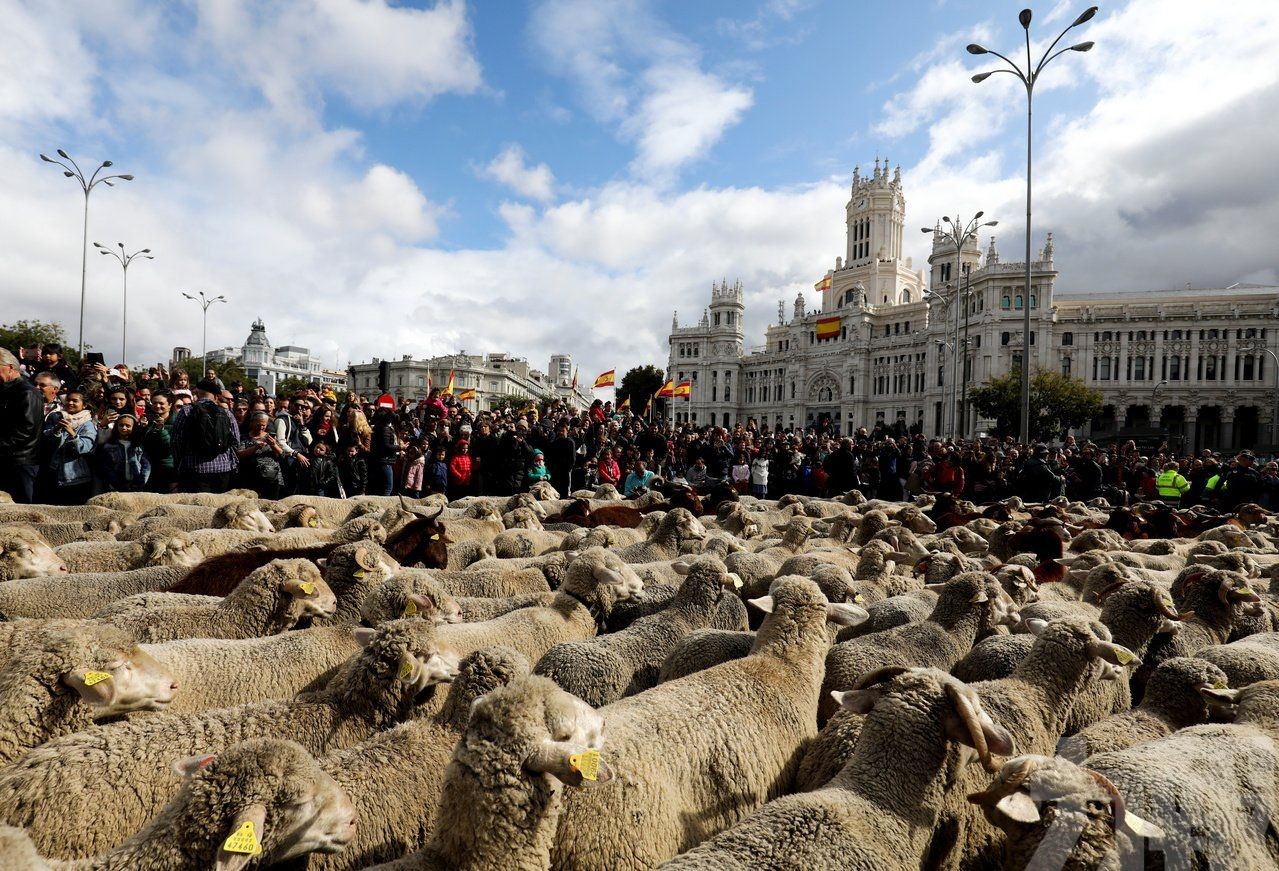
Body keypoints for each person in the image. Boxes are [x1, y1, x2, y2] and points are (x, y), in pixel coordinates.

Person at [171, 378, 240, 493]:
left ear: (197, 393)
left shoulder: (187, 411)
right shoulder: (227, 413)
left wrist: (179, 463)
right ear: (216, 396)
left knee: (198, 508)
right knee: (219, 507)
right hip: (223, 469)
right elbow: (236, 442)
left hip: (194, 469)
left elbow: (176, 441)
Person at [0, 348, 45, 502]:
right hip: (6, 459)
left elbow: (26, 429)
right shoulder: (5, 391)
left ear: (10, 367)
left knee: (24, 511)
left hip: (22, 462)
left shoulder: (27, 393)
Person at [43, 389, 97, 504]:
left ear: (84, 405)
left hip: (76, 477)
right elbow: (45, 440)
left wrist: (72, 434)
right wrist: (56, 430)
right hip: (54, 472)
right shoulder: (55, 417)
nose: (70, 403)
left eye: (75, 401)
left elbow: (85, 448)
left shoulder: (88, 424)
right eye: (68, 400)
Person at [235, 411, 285, 498]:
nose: (261, 427)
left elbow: (281, 454)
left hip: (271, 477)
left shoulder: (271, 437)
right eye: (258, 425)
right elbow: (239, 455)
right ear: (252, 423)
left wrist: (273, 445)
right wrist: (255, 447)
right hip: (251, 478)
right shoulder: (244, 438)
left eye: (264, 425)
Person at [96, 414, 151, 492]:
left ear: (134, 428)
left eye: (128, 426)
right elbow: (106, 468)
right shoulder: (109, 446)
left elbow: (146, 465)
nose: (124, 428)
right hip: (115, 488)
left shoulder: (139, 446)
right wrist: (117, 484)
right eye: (121, 425)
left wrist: (140, 482)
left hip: (136, 486)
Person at [368, 408, 401, 496]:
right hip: (385, 460)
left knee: (383, 486)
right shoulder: (385, 428)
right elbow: (386, 446)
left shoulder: (380, 427)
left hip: (383, 460)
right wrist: (400, 447)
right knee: (388, 487)